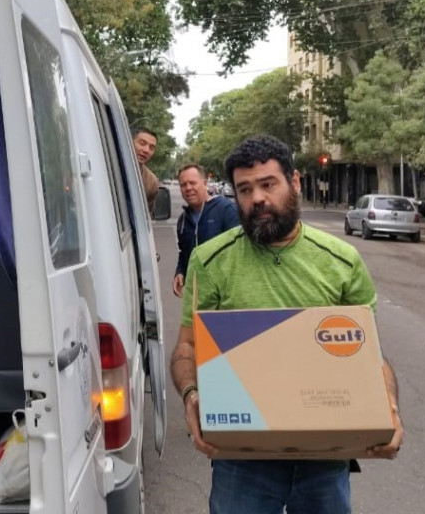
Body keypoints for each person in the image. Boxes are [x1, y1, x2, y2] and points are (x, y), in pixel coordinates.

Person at [170, 135, 403, 514]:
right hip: (241, 461)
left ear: (294, 182)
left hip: (325, 461)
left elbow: (368, 356)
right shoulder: (210, 260)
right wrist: (191, 396)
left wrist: (389, 408)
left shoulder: (341, 261)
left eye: (268, 184)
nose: (257, 198)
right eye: (244, 189)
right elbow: (187, 348)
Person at [172, 164, 239, 298]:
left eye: (192, 183)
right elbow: (184, 253)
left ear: (204, 183)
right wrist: (180, 272)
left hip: (226, 295)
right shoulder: (183, 220)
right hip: (197, 295)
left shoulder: (226, 210)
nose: (188, 188)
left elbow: (241, 252)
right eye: (183, 185)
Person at [132, 127, 160, 207]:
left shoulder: (151, 182)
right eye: (142, 143)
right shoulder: (106, 164)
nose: (146, 150)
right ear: (130, 142)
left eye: (151, 148)